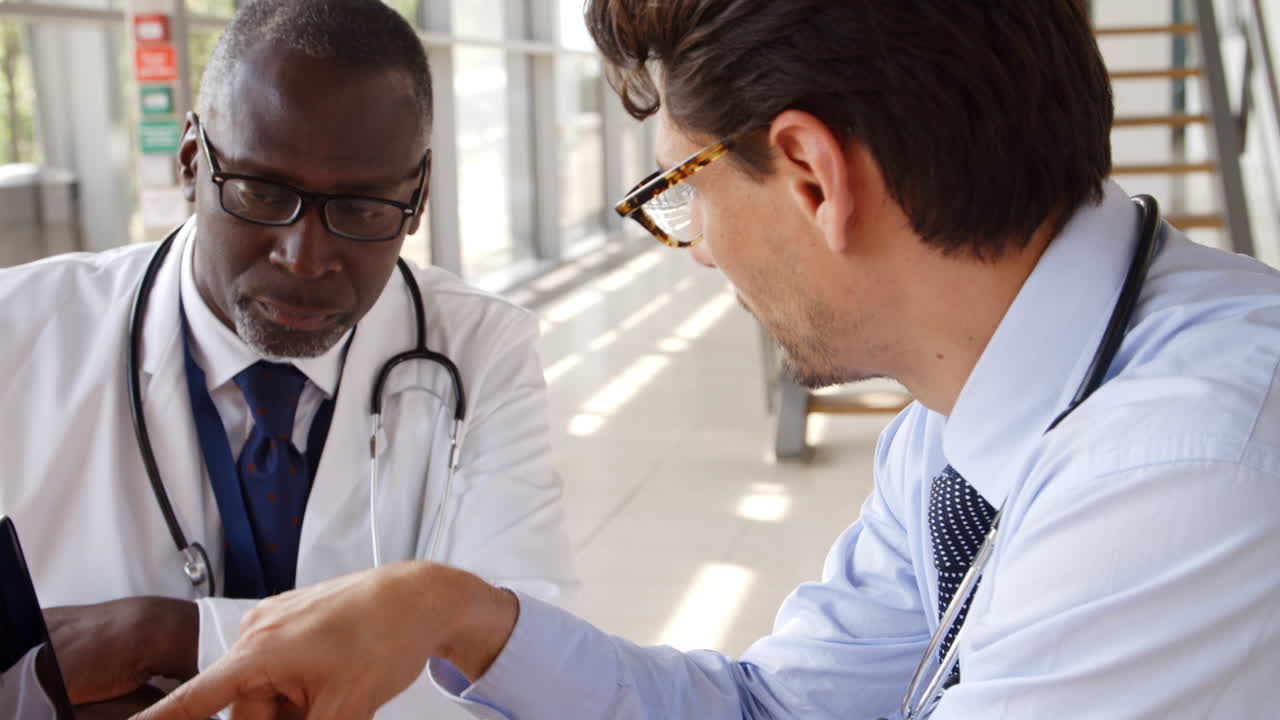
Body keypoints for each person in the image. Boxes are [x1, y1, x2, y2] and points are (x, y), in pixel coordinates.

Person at [136, 1, 1280, 718]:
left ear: (811, 175)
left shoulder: (1186, 475)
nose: (693, 254)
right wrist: (451, 613)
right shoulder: (965, 412)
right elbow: (777, 710)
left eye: (677, 194)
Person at [0, 0, 574, 717]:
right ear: (191, 164)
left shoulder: (484, 353)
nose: (304, 258)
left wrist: (169, 637)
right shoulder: (18, 334)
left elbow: (526, 673)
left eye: (362, 208)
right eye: (261, 193)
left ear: (419, 196)